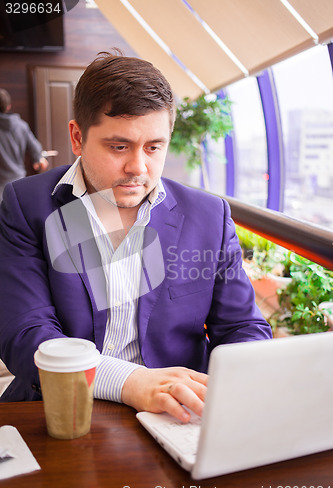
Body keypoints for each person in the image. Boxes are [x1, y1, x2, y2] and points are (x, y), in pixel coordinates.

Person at [0, 52, 272, 421]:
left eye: (154, 147)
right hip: (60, 408)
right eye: (119, 146)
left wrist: (235, 389)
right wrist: (130, 382)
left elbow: (242, 327)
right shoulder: (25, 204)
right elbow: (25, 332)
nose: (138, 168)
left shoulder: (209, 215)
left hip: (174, 414)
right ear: (78, 137)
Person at [0, 88, 48, 202]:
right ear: (8, 107)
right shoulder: (21, 126)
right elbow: (35, 148)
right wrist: (38, 159)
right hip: (18, 184)